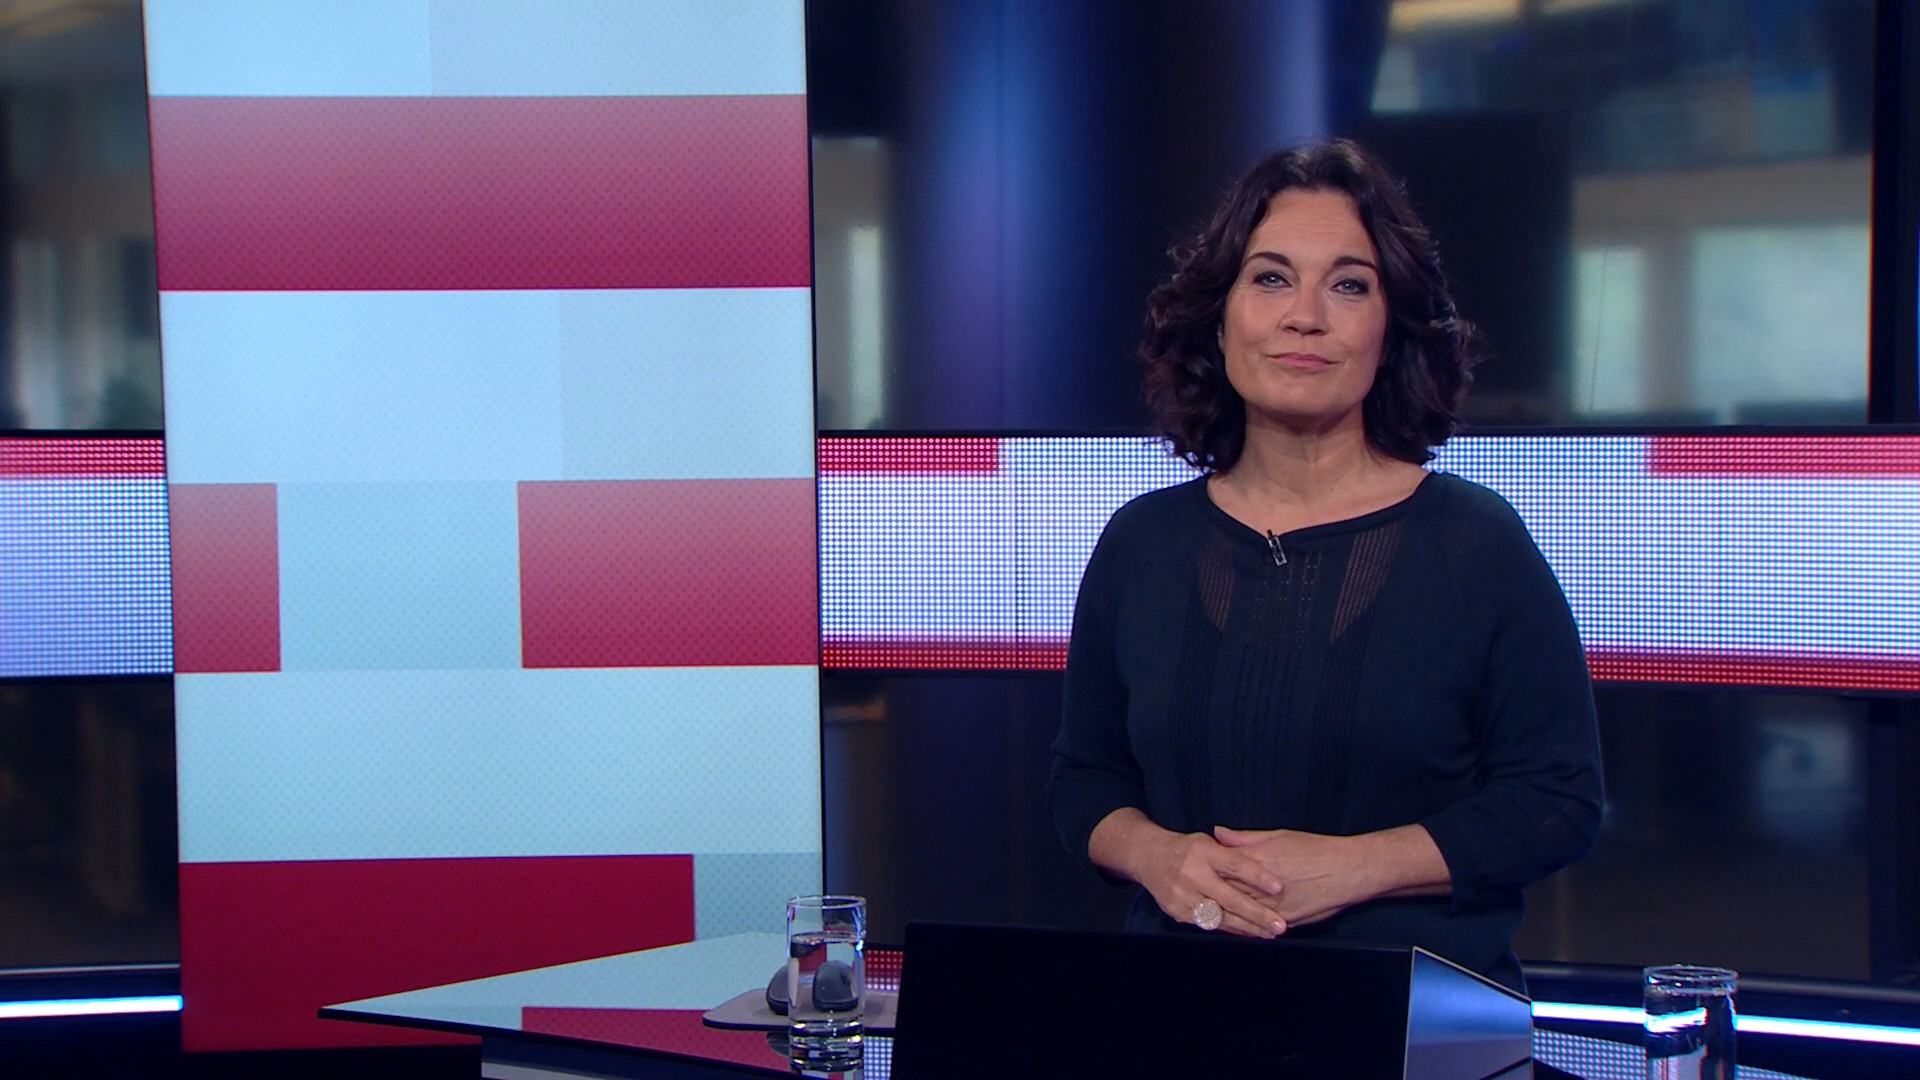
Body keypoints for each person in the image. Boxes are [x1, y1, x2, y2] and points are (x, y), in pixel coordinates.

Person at [1046, 139, 1603, 993]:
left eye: (1348, 286)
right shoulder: (1141, 544)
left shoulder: (1475, 542)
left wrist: (1358, 868)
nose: (1305, 316)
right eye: (1271, 279)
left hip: (1416, 1016)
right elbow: (1084, 780)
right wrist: (1158, 856)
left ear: (1391, 326)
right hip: (1178, 1012)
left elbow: (1558, 799)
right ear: (1220, 318)